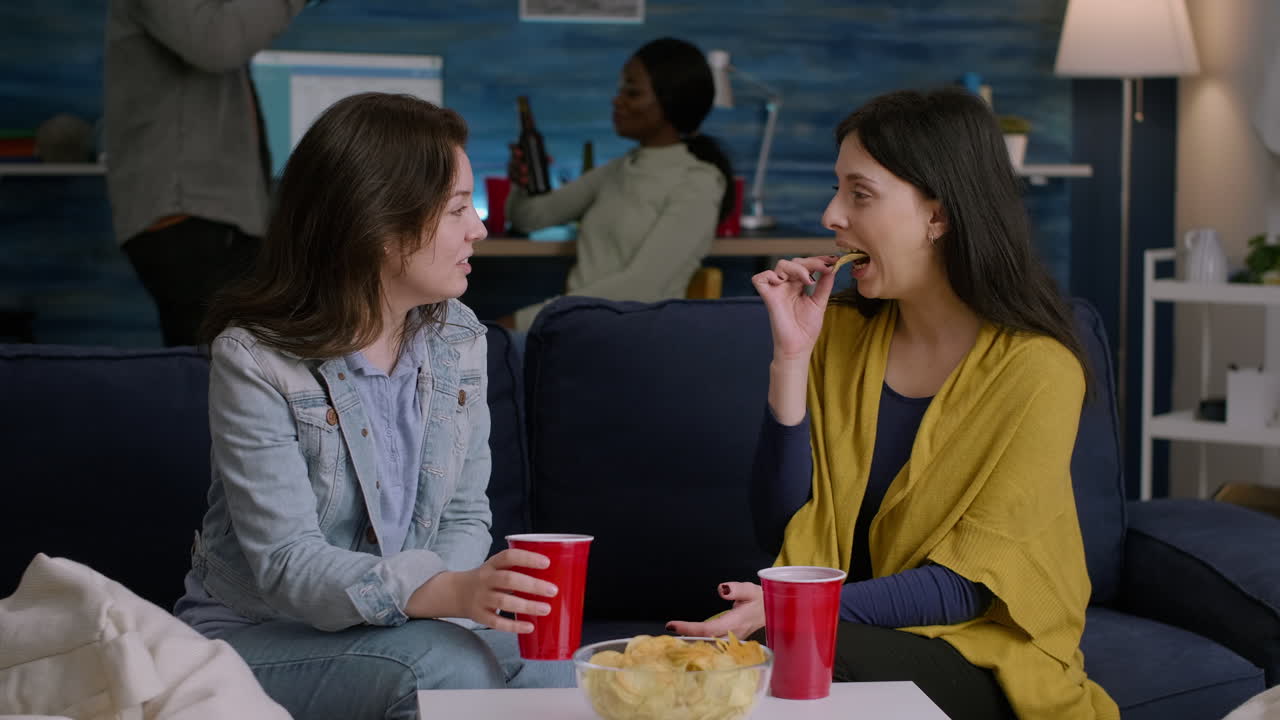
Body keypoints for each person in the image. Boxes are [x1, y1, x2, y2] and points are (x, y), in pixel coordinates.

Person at [668, 88, 1119, 720]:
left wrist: (797, 609)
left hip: (978, 650)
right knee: (719, 664)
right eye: (837, 190)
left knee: (794, 660)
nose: (831, 215)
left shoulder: (1039, 369)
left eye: (860, 193)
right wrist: (791, 362)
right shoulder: (842, 337)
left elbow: (968, 584)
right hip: (834, 633)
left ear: (937, 215)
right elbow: (782, 528)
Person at [173, 93, 575, 719]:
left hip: (402, 627)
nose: (481, 227)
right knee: (443, 666)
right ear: (380, 228)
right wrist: (442, 594)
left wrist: (452, 600)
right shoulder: (254, 359)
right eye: (457, 209)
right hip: (257, 635)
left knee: (554, 664)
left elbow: (467, 515)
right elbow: (286, 563)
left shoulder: (458, 337)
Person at [103, 0, 306, 346]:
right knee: (214, 376)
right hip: (189, 216)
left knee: (224, 373)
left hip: (208, 218)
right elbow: (217, 42)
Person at [499, 36, 734, 331]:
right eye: (621, 89)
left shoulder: (698, 182)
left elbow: (643, 286)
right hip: (579, 329)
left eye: (632, 92)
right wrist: (521, 183)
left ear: (670, 101)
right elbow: (530, 218)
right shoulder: (617, 171)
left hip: (633, 341)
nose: (617, 99)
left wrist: (521, 322)